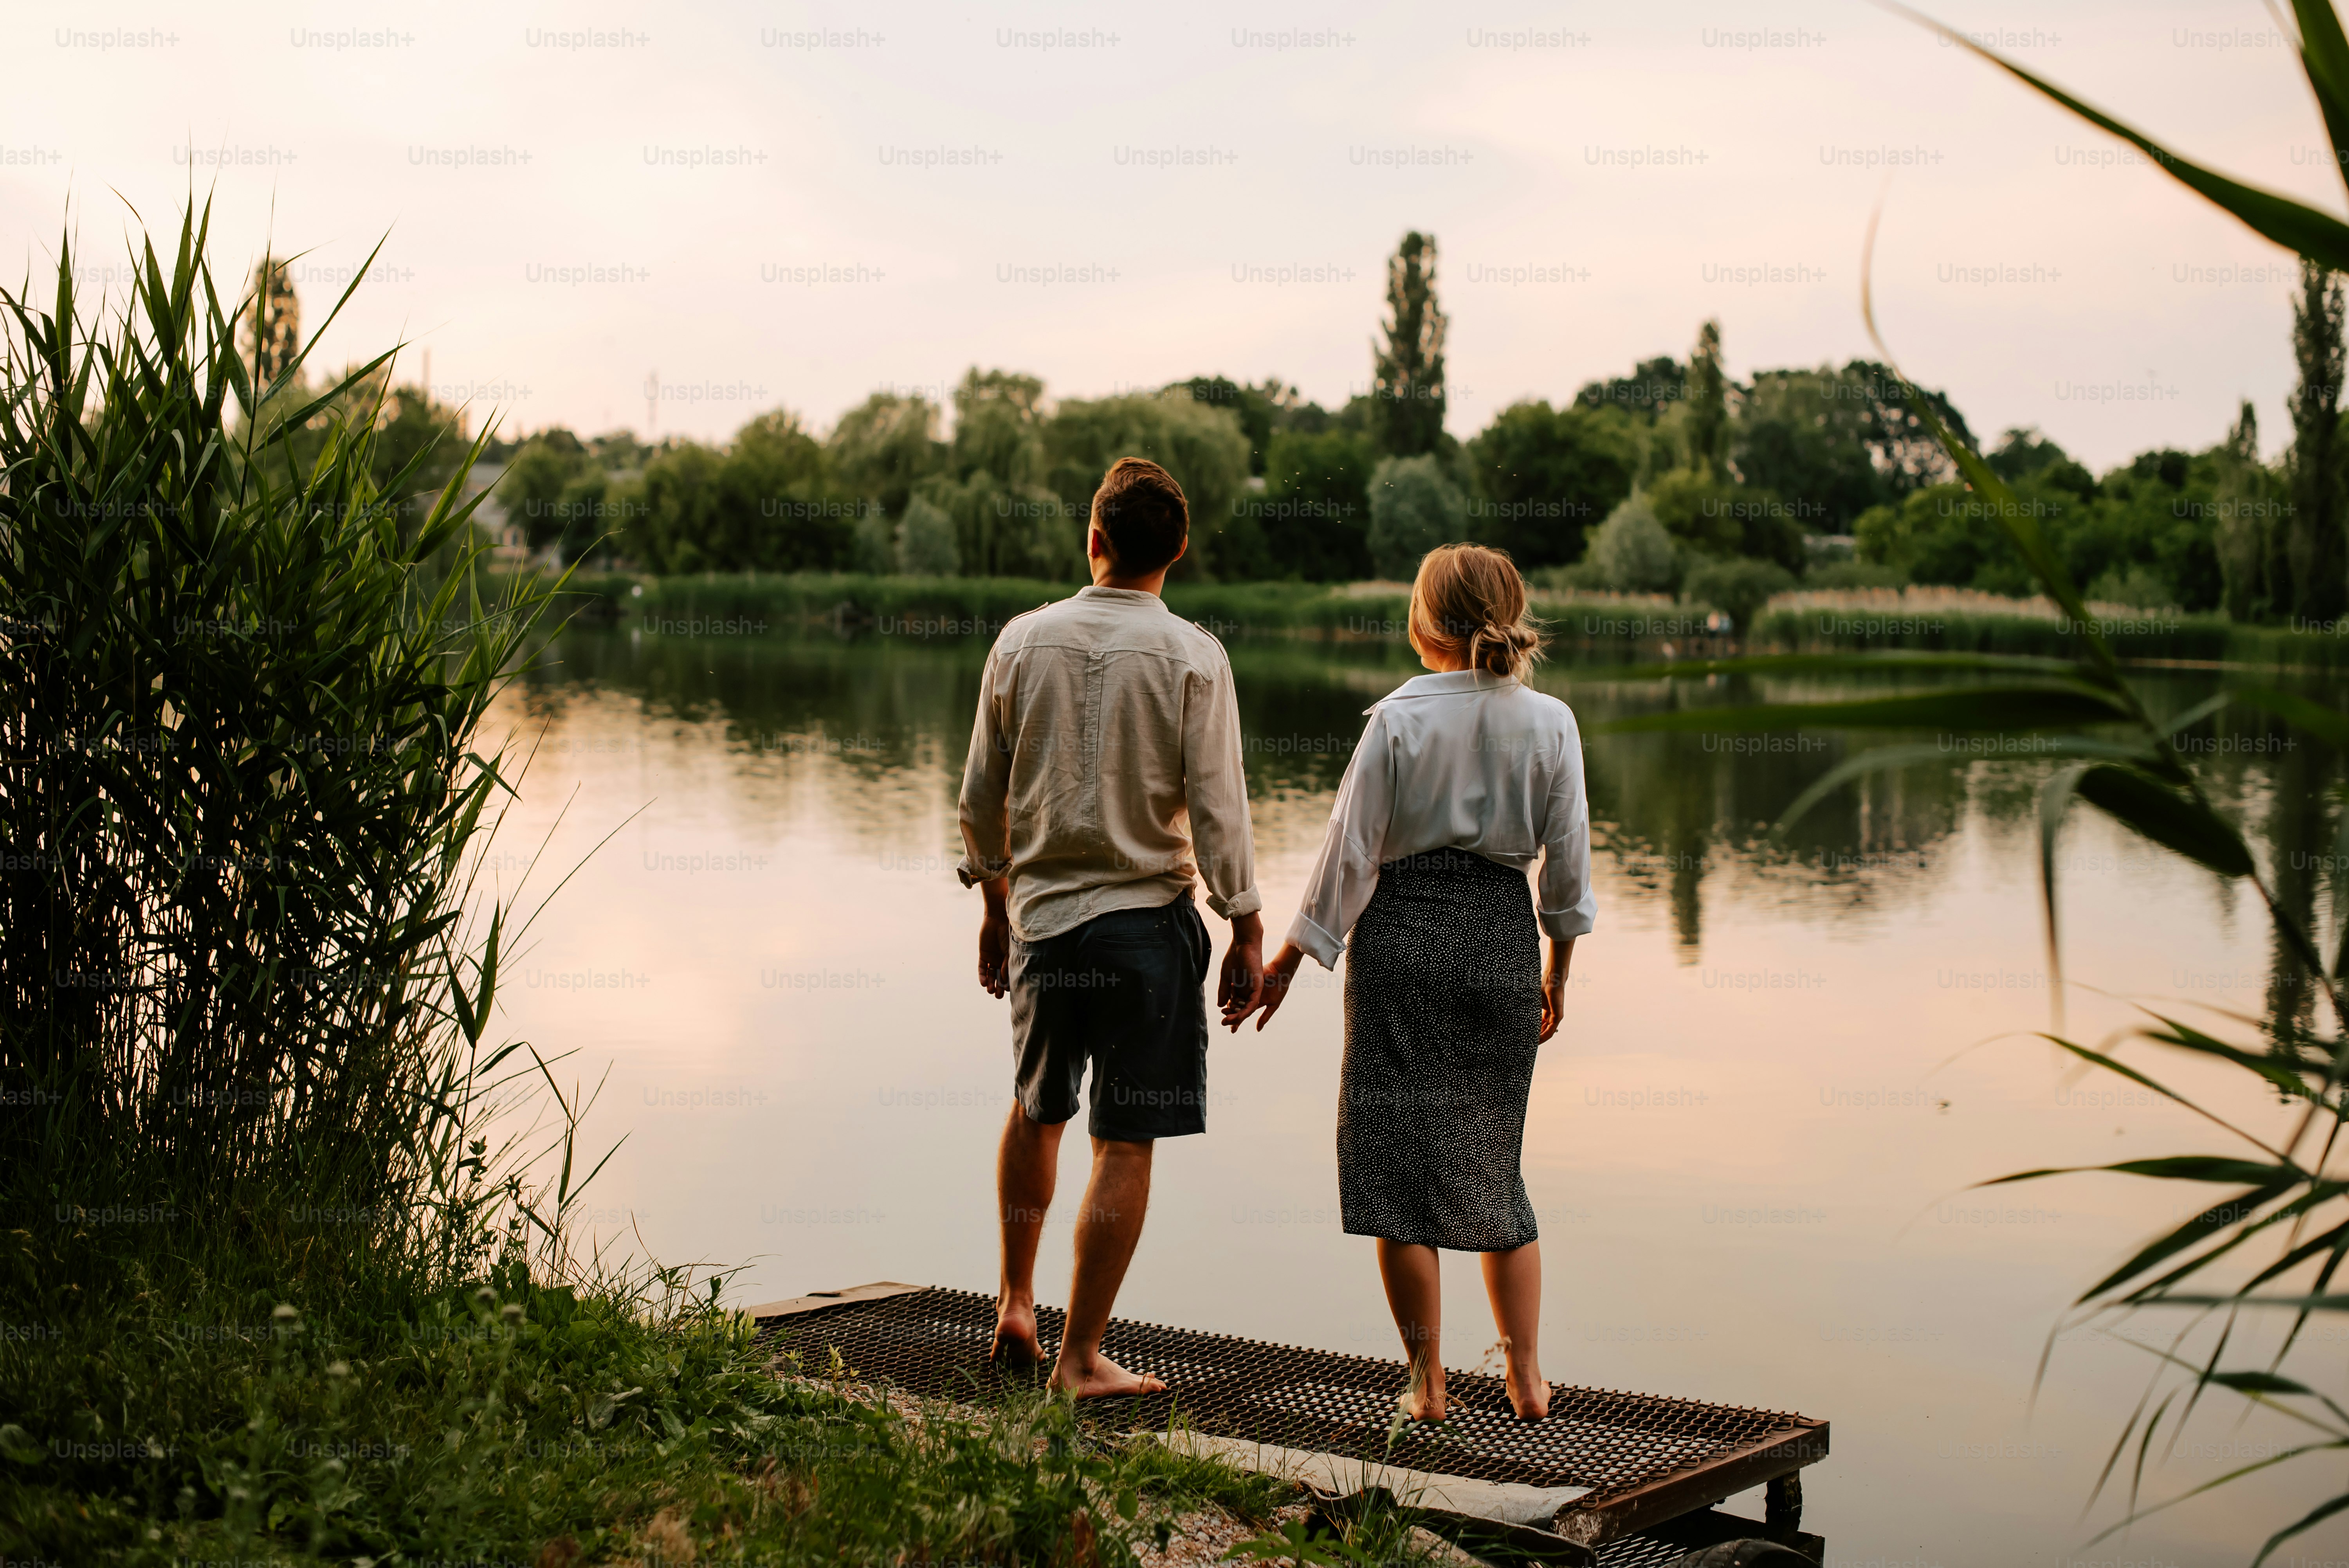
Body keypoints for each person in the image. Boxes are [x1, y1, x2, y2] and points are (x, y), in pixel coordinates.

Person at [1227, 542, 1594, 1422]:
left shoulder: (1397, 716)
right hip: (1500, 943)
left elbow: (1348, 854)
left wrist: (1286, 959)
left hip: (1402, 944)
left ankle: (1426, 1385)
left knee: (1398, 1173)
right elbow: (1568, 865)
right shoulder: (1552, 721)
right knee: (1491, 1165)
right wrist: (1557, 967)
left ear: (1423, 623)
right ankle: (1528, 1377)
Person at [957, 456, 1265, 1398]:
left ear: (1093, 540)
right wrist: (1246, 922)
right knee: (1123, 1142)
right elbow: (1218, 809)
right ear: (1177, 552)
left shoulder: (1019, 641)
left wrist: (994, 904)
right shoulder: (1194, 655)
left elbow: (981, 797)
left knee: (1035, 1106)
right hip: (1144, 928)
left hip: (1045, 926)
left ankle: (1016, 1299)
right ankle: (1079, 1356)